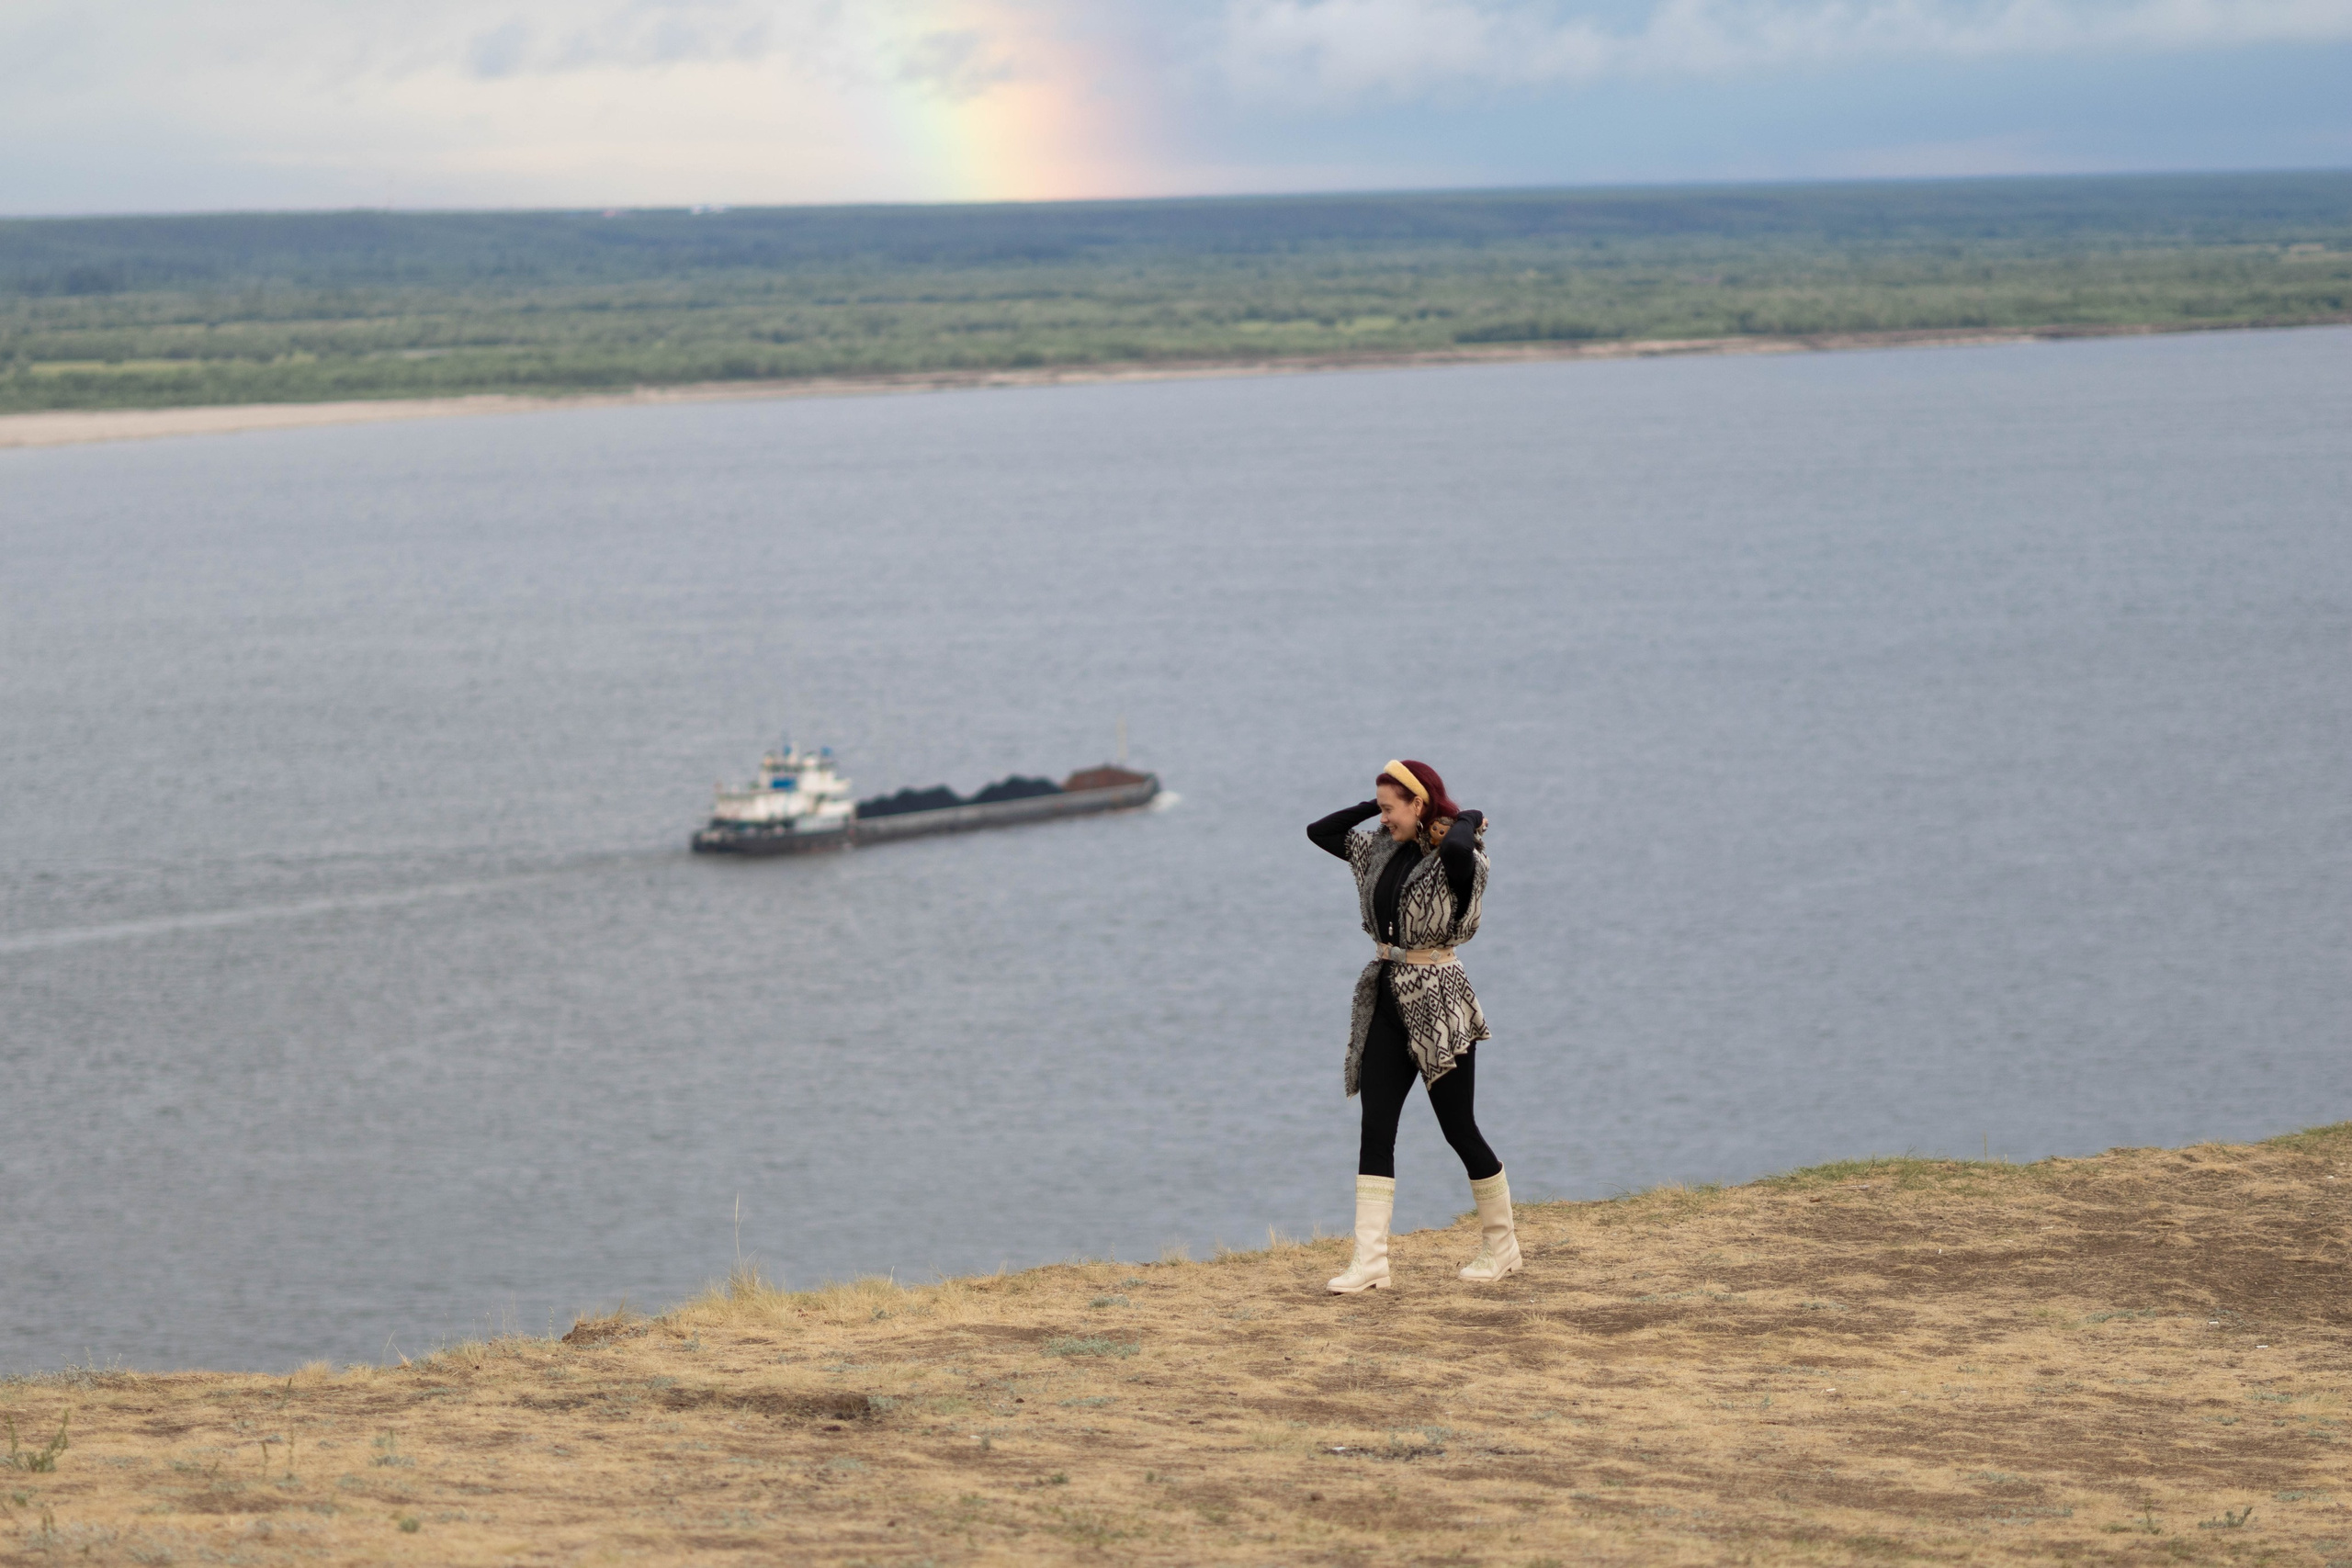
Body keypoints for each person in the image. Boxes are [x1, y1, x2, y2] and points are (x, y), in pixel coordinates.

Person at [1307, 760, 1520, 1293]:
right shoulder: (1378, 849)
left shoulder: (1462, 858)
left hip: (1439, 998)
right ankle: (1370, 1261)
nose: (1380, 820)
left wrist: (1466, 815)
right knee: (1375, 1127)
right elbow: (1321, 832)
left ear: (1419, 804)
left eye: (1389, 808)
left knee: (1459, 1129)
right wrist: (1372, 805)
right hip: (1386, 996)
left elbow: (1453, 847)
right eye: (1378, 809)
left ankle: (1503, 1248)